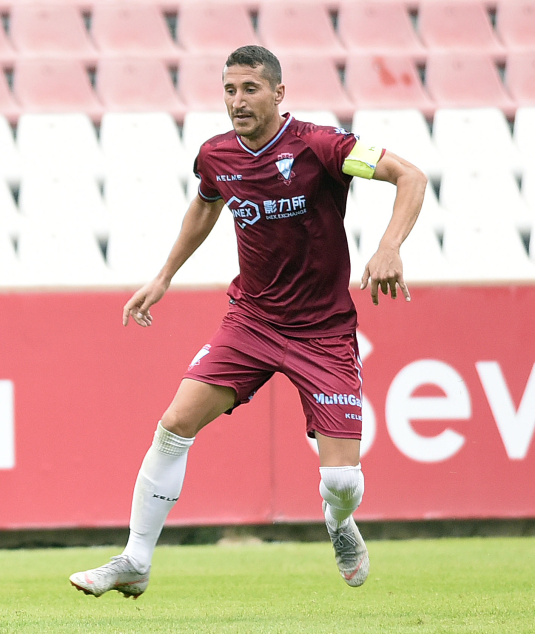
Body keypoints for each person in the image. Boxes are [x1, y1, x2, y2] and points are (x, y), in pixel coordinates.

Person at [70, 45, 427, 597]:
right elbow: (206, 203)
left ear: (278, 93)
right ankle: (135, 560)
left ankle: (339, 523)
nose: (238, 101)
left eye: (250, 90)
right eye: (230, 90)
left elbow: (410, 175)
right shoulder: (216, 155)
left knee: (340, 482)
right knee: (173, 427)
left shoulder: (323, 146)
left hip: (324, 330)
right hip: (252, 321)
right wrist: (163, 276)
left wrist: (389, 246)